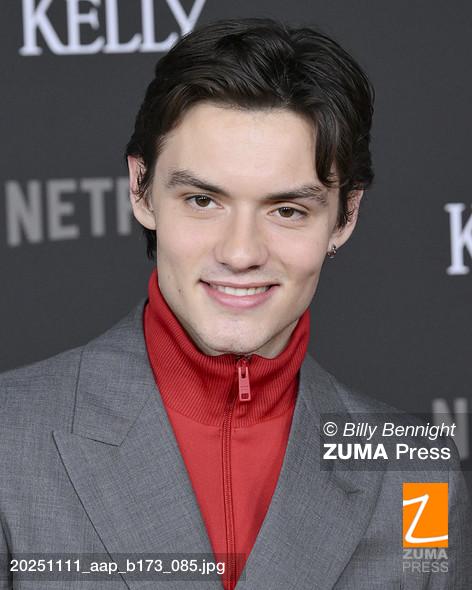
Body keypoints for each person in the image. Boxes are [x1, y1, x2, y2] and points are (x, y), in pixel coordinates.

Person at [0, 18, 470, 590]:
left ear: (345, 216)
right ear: (141, 189)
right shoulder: (9, 439)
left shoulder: (416, 472)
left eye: (287, 211)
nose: (241, 252)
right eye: (203, 200)